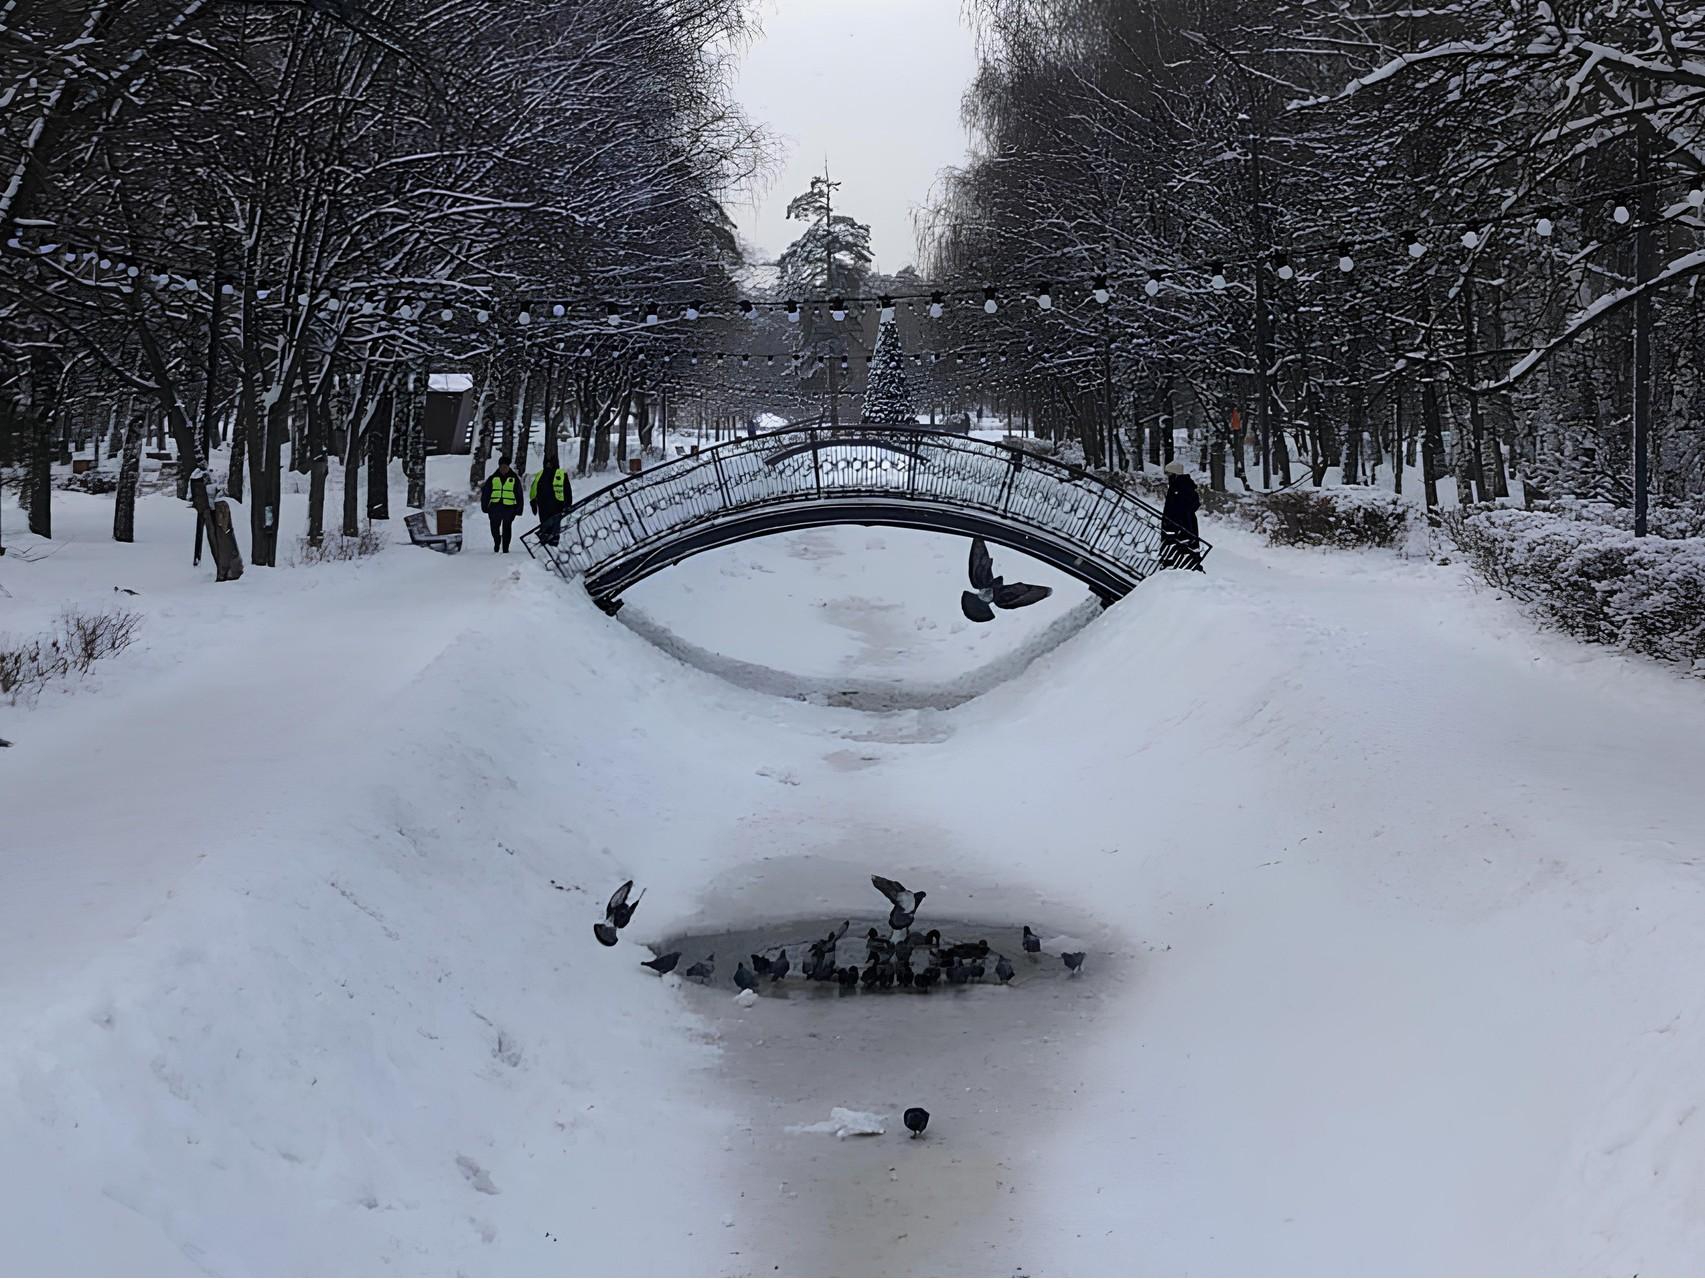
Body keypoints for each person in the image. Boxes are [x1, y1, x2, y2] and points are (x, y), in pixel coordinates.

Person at [1159, 459, 1203, 571]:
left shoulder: (1179, 487)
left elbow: (1180, 507)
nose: (1168, 477)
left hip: (1180, 523)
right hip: (1182, 523)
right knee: (1182, 546)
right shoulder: (1180, 486)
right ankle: (1181, 564)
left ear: (1174, 474)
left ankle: (1176, 564)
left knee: (1180, 544)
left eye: (1169, 474)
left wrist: (1174, 522)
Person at [481, 455, 522, 553]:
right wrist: (485, 506)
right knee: (494, 528)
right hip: (495, 507)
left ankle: (505, 548)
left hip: (509, 507)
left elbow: (519, 494)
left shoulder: (514, 479)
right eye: (502, 467)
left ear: (508, 467)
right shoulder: (492, 478)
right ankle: (497, 541)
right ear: (499, 467)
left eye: (505, 467)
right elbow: (486, 493)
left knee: (507, 528)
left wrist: (519, 509)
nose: (503, 469)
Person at [529, 458, 572, 547]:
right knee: (545, 523)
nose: (548, 465)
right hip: (543, 504)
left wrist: (568, 504)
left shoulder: (561, 473)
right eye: (547, 463)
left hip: (557, 504)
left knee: (555, 524)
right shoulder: (540, 474)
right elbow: (534, 488)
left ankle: (553, 542)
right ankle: (545, 542)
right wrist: (533, 502)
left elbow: (567, 489)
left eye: (550, 463)